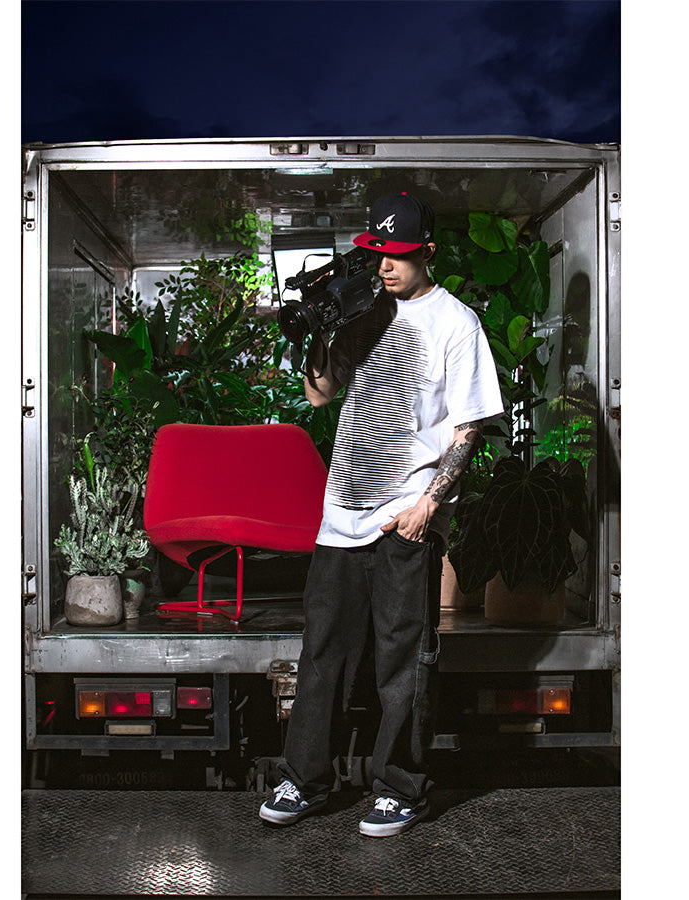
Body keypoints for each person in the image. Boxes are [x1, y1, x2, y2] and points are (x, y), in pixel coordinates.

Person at [259, 192, 505, 837]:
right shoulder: (365, 312)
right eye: (378, 254)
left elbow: (469, 427)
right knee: (323, 656)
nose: (386, 266)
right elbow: (321, 394)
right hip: (341, 518)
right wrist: (316, 333)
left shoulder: (456, 324)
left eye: (399, 255)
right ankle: (306, 780)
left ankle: (401, 788)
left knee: (402, 662)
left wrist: (429, 504)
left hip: (405, 518)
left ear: (428, 252)